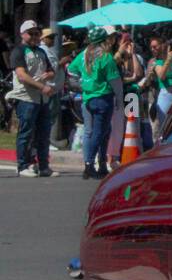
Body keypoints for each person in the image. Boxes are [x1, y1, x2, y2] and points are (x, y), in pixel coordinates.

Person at [67, 27, 123, 179]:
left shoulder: (84, 54)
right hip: (102, 98)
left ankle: (102, 163)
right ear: (105, 40)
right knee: (98, 132)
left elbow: (71, 70)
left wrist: (82, 83)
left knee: (103, 131)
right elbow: (115, 81)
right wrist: (119, 97)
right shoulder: (106, 57)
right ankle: (89, 164)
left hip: (88, 98)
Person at [8, 19, 56, 177]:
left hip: (42, 98)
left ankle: (43, 166)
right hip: (26, 97)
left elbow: (51, 71)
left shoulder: (41, 51)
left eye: (37, 33)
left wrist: (49, 74)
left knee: (43, 133)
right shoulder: (19, 51)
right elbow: (21, 75)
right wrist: (42, 86)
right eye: (31, 33)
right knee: (26, 132)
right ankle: (23, 165)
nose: (35, 36)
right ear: (23, 34)